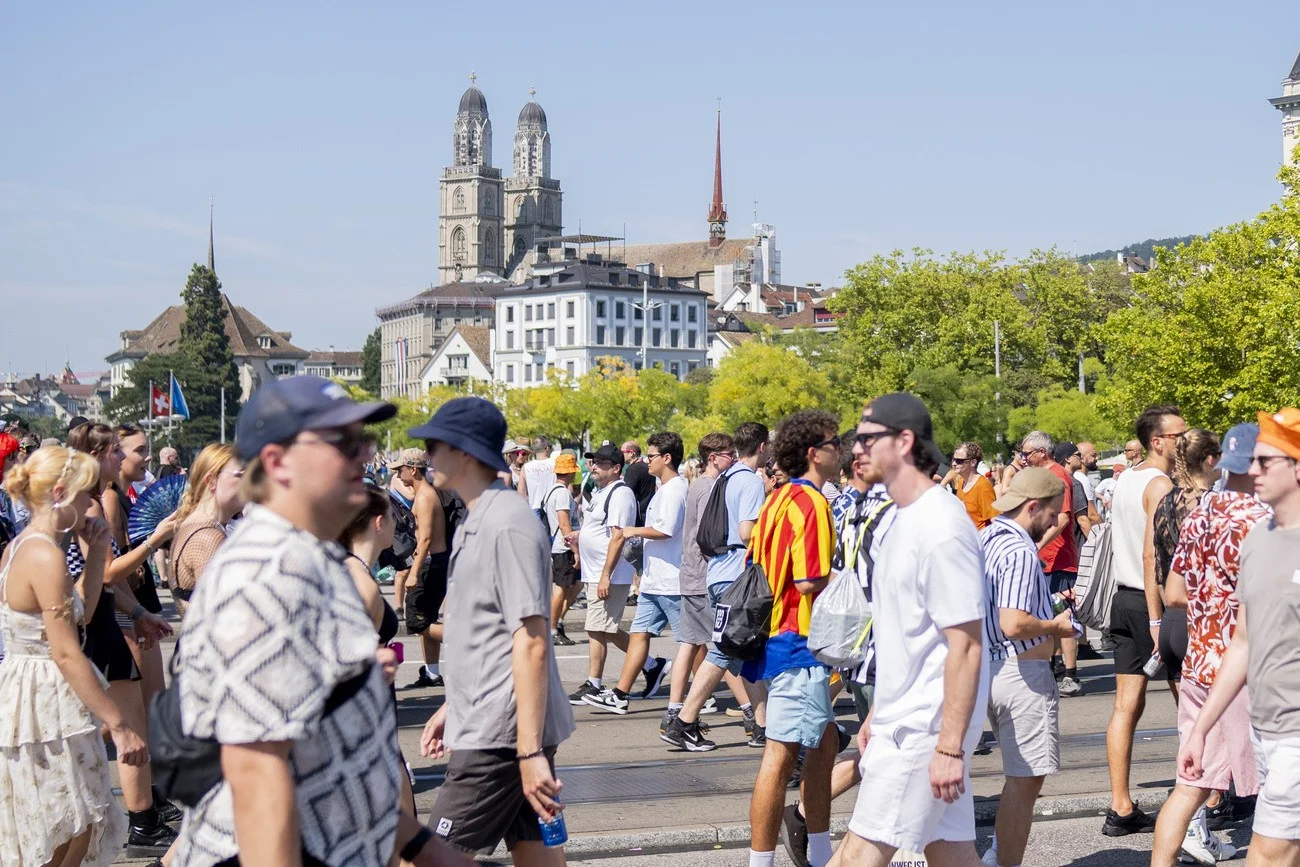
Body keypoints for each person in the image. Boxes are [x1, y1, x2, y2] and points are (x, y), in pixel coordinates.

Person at [175, 375, 461, 867]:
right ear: (276, 462)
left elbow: (336, 758)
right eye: (341, 442)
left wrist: (424, 848)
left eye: (363, 440)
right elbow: (258, 779)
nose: (363, 455)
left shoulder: (313, 560)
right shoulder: (266, 574)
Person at [412, 398, 576, 865]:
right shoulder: (476, 518)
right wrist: (453, 702)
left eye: (432, 445)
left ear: (464, 452)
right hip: (494, 719)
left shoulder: (508, 524)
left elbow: (532, 640)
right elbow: (486, 633)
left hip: (499, 736)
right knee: (536, 851)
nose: (426, 456)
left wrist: (527, 754)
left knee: (429, 857)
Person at [828, 393, 988, 867]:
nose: (855, 450)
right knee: (952, 856)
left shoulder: (941, 526)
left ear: (903, 442)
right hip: (905, 719)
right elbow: (907, 635)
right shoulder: (901, 519)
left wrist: (949, 747)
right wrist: (878, 710)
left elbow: (966, 643)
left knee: (855, 858)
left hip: (923, 731)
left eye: (866, 439)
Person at [0, 445, 141, 866]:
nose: (92, 504)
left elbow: (79, 614)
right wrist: (119, 724)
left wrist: (96, 555)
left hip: (36, 691)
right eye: (85, 495)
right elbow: (64, 649)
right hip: (46, 698)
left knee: (73, 821)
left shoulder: (24, 548)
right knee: (66, 824)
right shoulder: (44, 555)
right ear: (60, 494)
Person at [1180, 409, 1300, 867]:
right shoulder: (1257, 539)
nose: (1251, 470)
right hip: (1266, 730)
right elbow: (1243, 643)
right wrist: (1202, 729)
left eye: (1266, 462)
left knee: (1266, 855)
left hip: (1295, 735)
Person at [1151, 424, 1265, 867]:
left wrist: (1211, 597)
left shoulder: (1201, 512)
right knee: (1276, 794)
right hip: (1244, 668)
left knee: (1190, 784)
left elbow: (1174, 591)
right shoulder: (1262, 522)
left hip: (1201, 660)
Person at [65, 422, 178, 855]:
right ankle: (142, 821)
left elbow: (107, 582)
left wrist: (138, 612)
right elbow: (107, 574)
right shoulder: (97, 504)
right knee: (127, 728)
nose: (124, 457)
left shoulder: (95, 501)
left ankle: (143, 814)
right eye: (115, 450)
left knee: (126, 725)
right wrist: (155, 540)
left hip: (108, 618)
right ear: (94, 457)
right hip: (98, 624)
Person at [745, 410, 840, 867]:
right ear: (812, 453)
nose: (840, 449)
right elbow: (809, 581)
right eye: (834, 443)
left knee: (825, 745)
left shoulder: (777, 499)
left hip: (775, 637)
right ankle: (762, 861)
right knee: (780, 757)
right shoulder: (812, 504)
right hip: (798, 641)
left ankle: (820, 853)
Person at [978, 468, 1073, 867]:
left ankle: (997, 856)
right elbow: (1013, 622)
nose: (1055, 523)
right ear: (1032, 507)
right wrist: (1057, 624)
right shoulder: (1018, 550)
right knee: (1025, 779)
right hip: (1021, 674)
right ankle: (1002, 861)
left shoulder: (987, 536)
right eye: (1052, 515)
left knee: (1022, 777)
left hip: (992, 669)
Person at [662, 422, 770, 752]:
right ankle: (682, 722)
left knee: (744, 651)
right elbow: (747, 531)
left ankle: (763, 726)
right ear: (763, 448)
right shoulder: (749, 481)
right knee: (726, 649)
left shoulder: (723, 478)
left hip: (717, 572)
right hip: (739, 575)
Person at [1104, 404, 1186, 835]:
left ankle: (1120, 805)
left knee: (1125, 706)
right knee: (1190, 705)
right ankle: (1207, 797)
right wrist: (1159, 620)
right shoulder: (1160, 483)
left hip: (1126, 598)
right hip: (1154, 603)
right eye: (1178, 434)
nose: (1185, 439)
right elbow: (1153, 554)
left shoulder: (1127, 478)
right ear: (1158, 441)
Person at [584, 432, 686, 713]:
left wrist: (632, 531)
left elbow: (666, 530)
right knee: (638, 635)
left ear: (666, 458)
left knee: (695, 644)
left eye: (651, 456)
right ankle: (620, 694)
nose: (645, 461)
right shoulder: (662, 489)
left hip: (672, 581)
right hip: (654, 579)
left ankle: (715, 696)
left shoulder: (676, 488)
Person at [666, 433, 737, 735]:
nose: (733, 459)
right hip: (703, 575)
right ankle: (752, 712)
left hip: (692, 575)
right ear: (713, 458)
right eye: (728, 454)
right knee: (727, 647)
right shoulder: (710, 487)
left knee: (691, 642)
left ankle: (674, 709)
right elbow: (708, 535)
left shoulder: (698, 485)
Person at [1152, 429, 1222, 707]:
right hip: (1201, 618)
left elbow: (1157, 566)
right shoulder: (1210, 505)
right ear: (1209, 460)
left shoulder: (1165, 502)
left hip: (1172, 620)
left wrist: (1158, 619)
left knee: (1191, 726)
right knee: (1217, 730)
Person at [568, 441, 640, 705]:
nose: (595, 467)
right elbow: (598, 529)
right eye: (593, 462)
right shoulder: (602, 491)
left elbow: (619, 536)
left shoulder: (620, 493)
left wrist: (606, 575)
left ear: (616, 468)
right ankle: (652, 664)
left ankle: (594, 683)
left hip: (609, 572)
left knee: (597, 628)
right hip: (596, 570)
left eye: (601, 464)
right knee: (604, 628)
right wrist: (579, 537)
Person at [1020, 432, 1081, 698]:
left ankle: (1071, 674)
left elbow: (1065, 519)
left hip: (1060, 559)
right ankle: (1056, 668)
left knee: (1064, 616)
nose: (1024, 459)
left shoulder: (1058, 475)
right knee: (1049, 615)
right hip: (1045, 559)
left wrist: (1037, 545)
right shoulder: (1042, 476)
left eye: (1028, 454)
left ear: (1042, 453)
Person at [168, 443, 244, 619]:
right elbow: (220, 611)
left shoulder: (195, 524)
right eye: (241, 474)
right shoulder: (208, 535)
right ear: (211, 481)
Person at [398, 448, 450, 689]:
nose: (398, 473)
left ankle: (469, 640)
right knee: (426, 619)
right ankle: (431, 673)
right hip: (432, 562)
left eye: (401, 468)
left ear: (413, 469)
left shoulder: (425, 496)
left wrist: (414, 573)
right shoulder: (423, 494)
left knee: (417, 622)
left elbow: (426, 539)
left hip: (432, 563)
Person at [544, 453, 582, 646]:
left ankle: (557, 623)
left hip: (562, 546)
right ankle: (552, 630)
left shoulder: (555, 491)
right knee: (561, 589)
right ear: (569, 473)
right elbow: (565, 524)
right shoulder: (561, 494)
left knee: (576, 584)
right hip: (564, 547)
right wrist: (575, 549)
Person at [950, 441, 998, 530]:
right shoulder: (961, 482)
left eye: (959, 461)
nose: (954, 464)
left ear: (973, 462)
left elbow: (994, 519)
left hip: (980, 540)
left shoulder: (983, 486)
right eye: (953, 459)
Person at [518, 436, 557, 508]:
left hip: (534, 510)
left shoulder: (525, 467)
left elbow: (521, 494)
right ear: (547, 448)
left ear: (533, 450)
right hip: (554, 509)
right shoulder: (556, 464)